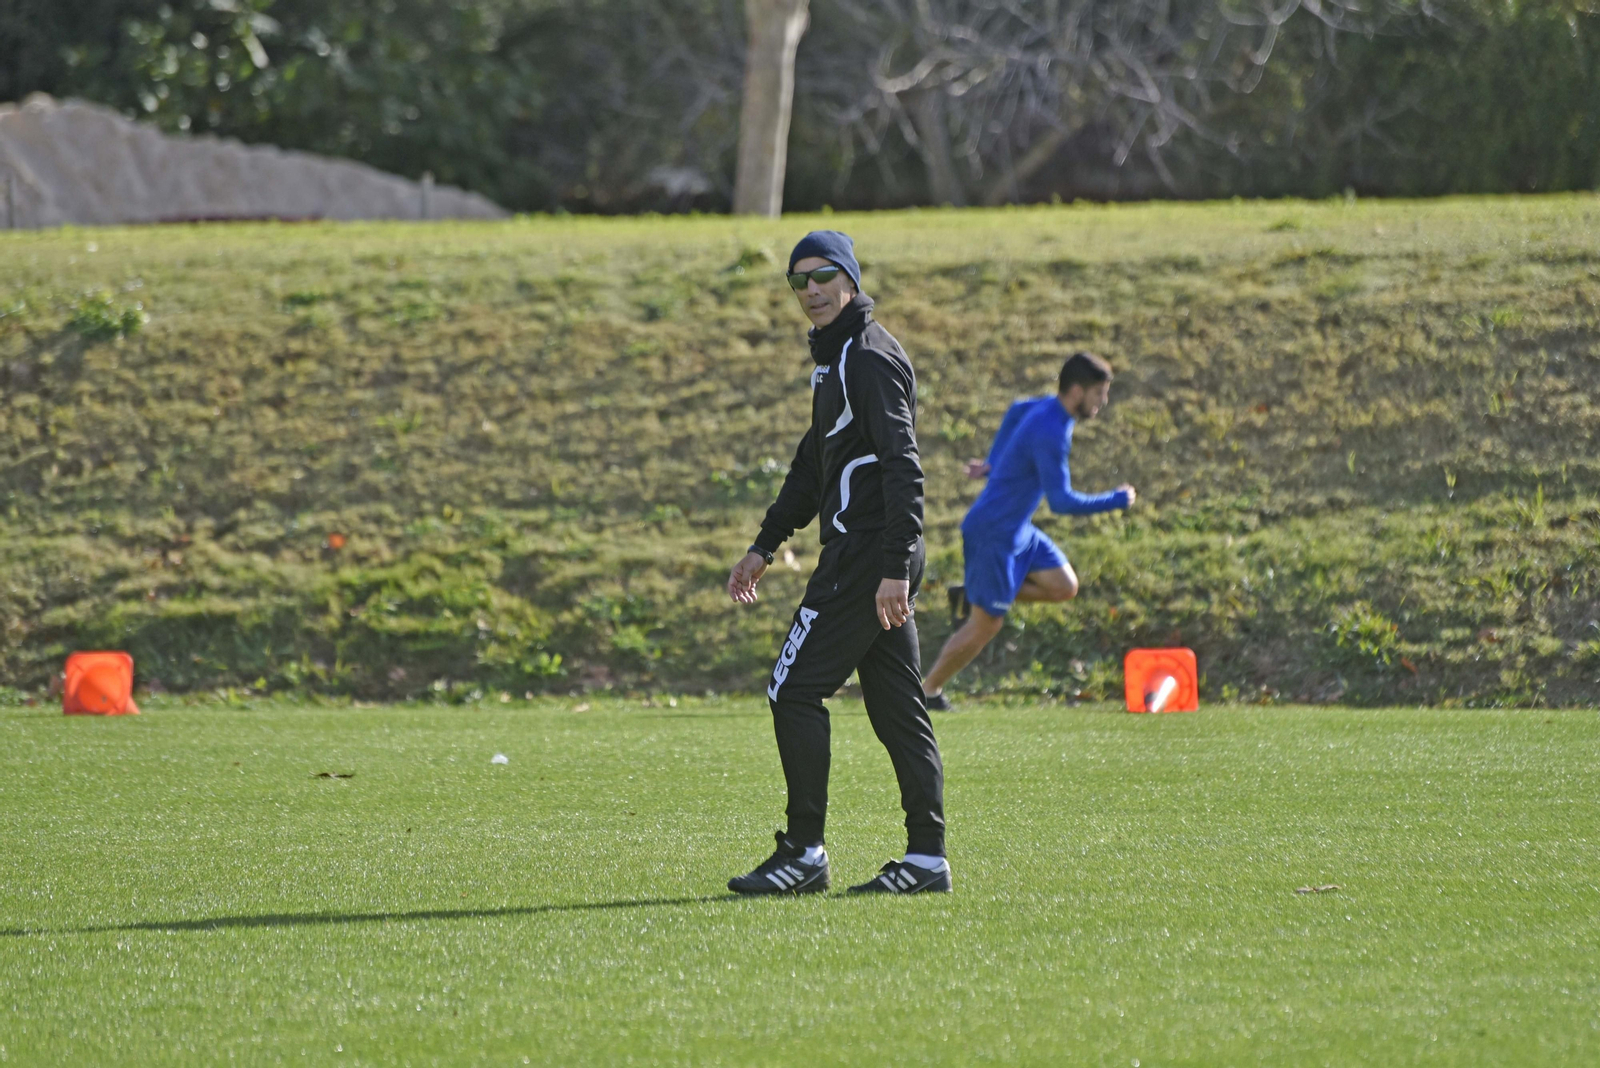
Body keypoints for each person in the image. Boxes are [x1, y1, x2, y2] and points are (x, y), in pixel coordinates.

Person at [724, 230, 950, 896]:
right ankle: (927, 859)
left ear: (850, 279)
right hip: (871, 553)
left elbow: (903, 464)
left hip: (867, 556)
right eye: (799, 281)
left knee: (793, 690)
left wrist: (892, 563)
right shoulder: (835, 359)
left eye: (824, 275)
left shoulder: (868, 357)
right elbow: (811, 463)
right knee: (897, 706)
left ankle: (802, 852)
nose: (813, 290)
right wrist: (765, 544)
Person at [922, 352, 1136, 711]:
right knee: (987, 624)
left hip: (1017, 529)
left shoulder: (1044, 409)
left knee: (1064, 586)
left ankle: (976, 593)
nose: (1104, 401)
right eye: (1099, 393)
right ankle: (926, 692)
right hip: (993, 532)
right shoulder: (1052, 432)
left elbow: (1016, 409)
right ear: (1077, 391)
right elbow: (1061, 502)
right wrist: (1116, 500)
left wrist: (992, 462)